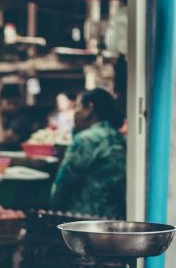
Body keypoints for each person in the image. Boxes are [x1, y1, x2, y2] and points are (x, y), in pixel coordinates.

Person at [49, 88, 126, 218]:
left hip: (84, 219)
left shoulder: (86, 139)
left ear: (90, 108)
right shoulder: (117, 137)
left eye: (78, 106)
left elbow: (63, 185)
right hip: (114, 218)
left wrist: (53, 210)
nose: (75, 113)